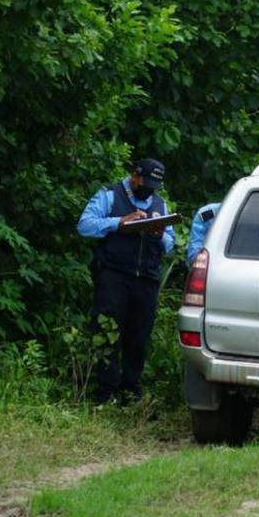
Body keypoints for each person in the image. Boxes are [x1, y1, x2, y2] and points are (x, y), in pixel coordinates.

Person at [77, 159, 176, 403]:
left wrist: (161, 235)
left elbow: (171, 243)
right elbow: (85, 225)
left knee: (139, 335)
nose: (150, 188)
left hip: (147, 279)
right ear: (135, 176)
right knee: (107, 330)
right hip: (113, 275)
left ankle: (130, 390)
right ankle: (105, 392)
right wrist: (118, 222)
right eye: (146, 182)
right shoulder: (109, 195)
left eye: (155, 185)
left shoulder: (160, 205)